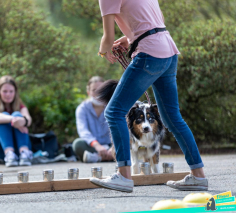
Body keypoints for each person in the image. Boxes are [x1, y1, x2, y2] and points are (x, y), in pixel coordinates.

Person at [90, 0, 208, 192]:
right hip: (168, 51)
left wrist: (104, 50)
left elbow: (107, 37)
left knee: (114, 112)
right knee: (172, 118)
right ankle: (199, 176)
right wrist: (129, 39)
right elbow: (152, 22)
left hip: (149, 53)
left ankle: (123, 177)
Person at [0, 75, 33, 167]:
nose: (8, 94)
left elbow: (28, 119)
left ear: (15, 92)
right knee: (4, 117)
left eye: (11, 91)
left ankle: (24, 153)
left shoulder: (20, 106)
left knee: (18, 114)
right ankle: (9, 154)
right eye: (5, 91)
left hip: (18, 151)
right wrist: (12, 119)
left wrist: (23, 121)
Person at [73, 76, 114, 163]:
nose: (98, 93)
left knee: (125, 144)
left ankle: (98, 158)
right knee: (78, 144)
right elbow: (83, 131)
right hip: (93, 146)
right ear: (88, 92)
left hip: (111, 145)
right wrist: (97, 146)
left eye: (101, 89)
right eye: (94, 90)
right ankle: (112, 157)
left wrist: (113, 147)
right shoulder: (82, 108)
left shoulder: (113, 106)